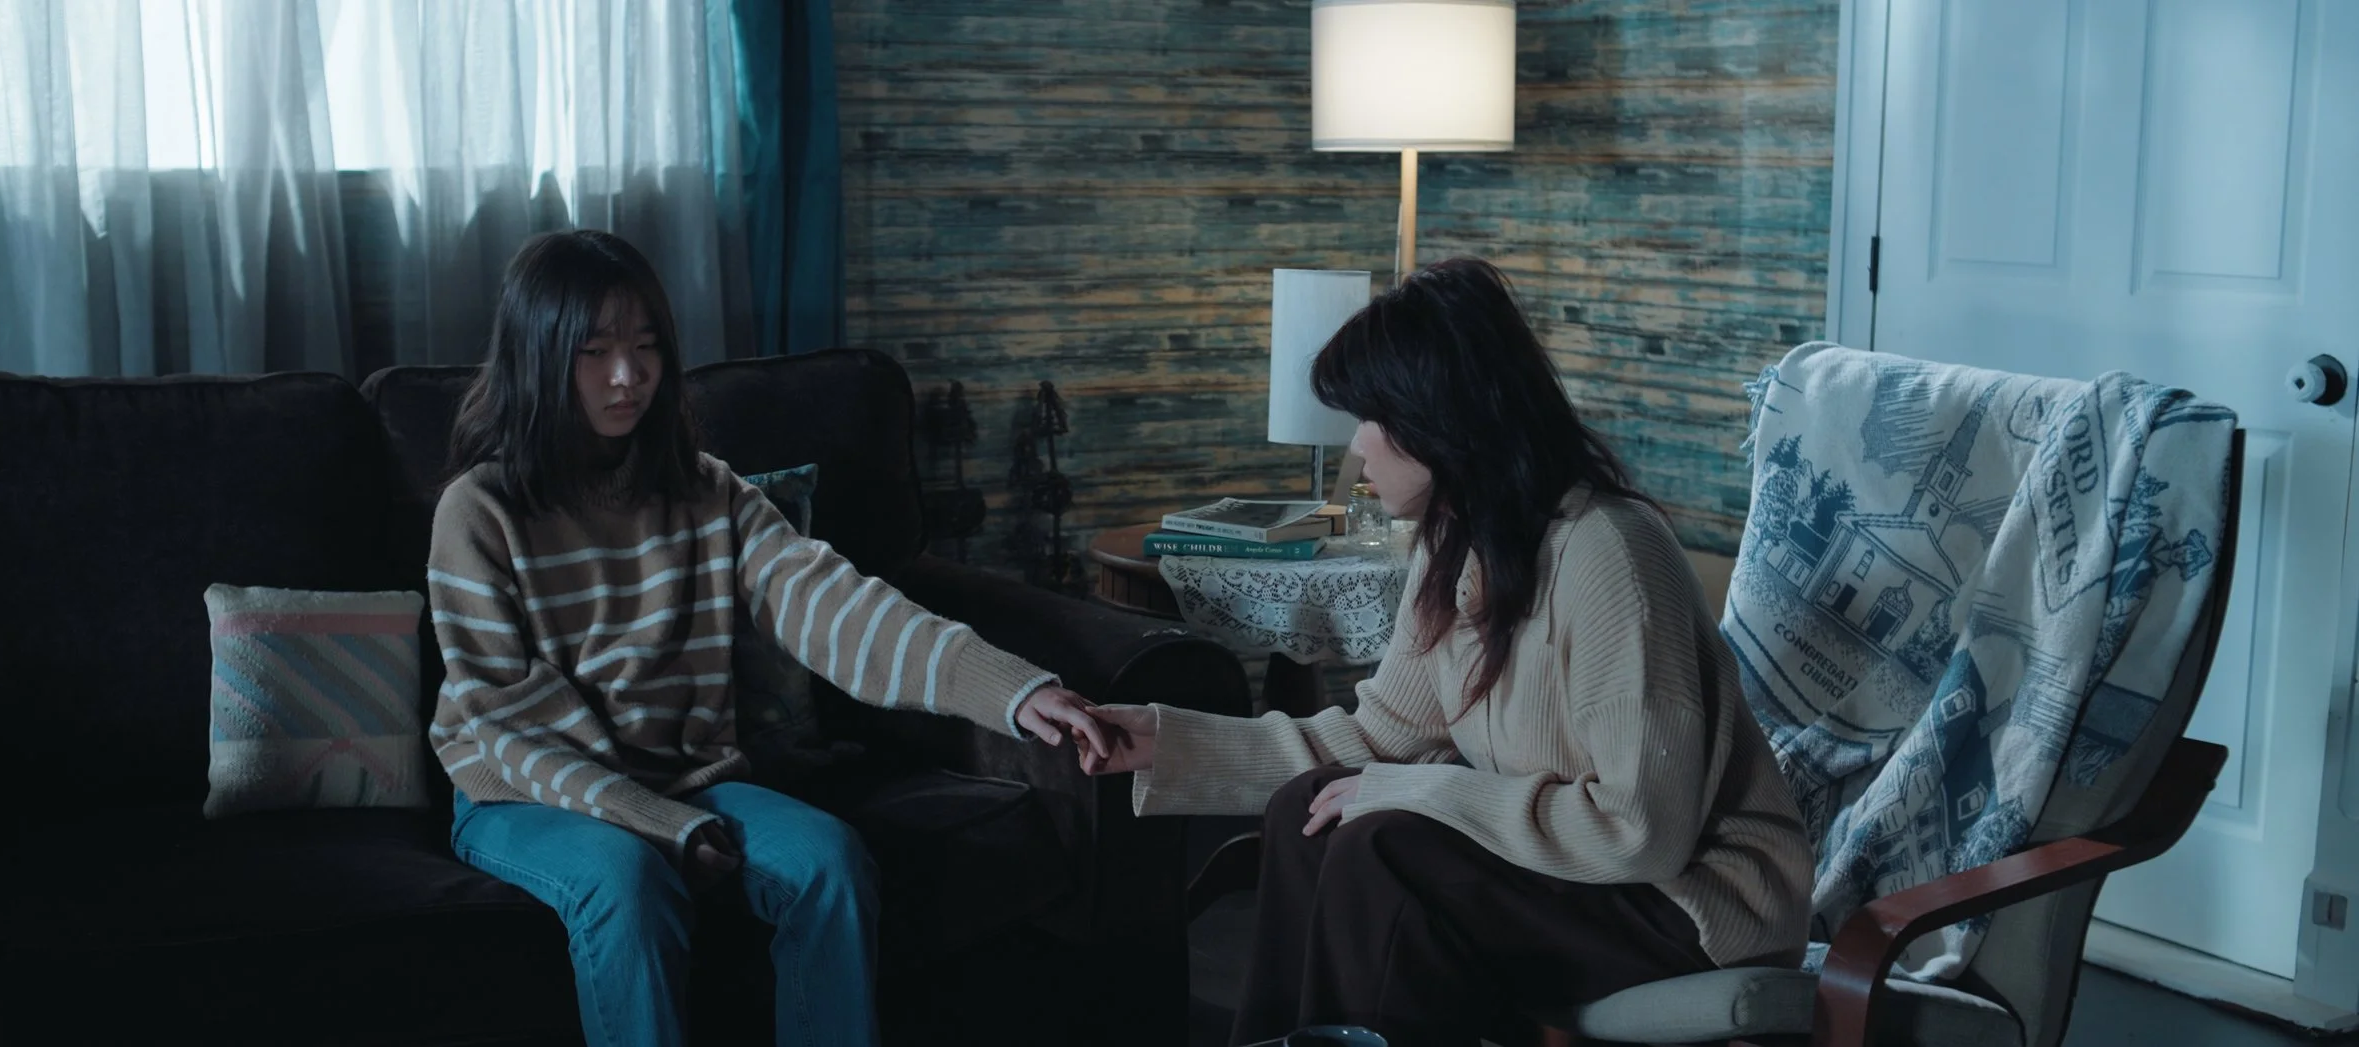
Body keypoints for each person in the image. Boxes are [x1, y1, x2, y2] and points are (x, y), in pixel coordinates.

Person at [1081, 258, 1813, 1047]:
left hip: (1688, 906)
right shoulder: (1455, 546)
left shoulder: (1610, 553)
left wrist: (1419, 791)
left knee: (1381, 848)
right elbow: (1374, 741)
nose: (1357, 445)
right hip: (1575, 880)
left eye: (1371, 416)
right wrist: (1165, 741)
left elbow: (1642, 830)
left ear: (1438, 418)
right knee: (1308, 813)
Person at [426, 229, 1108, 1047]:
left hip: (684, 775)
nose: (627, 376)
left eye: (646, 347)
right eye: (595, 350)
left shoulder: (705, 489)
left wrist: (1013, 689)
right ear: (538, 355)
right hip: (524, 789)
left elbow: (836, 604)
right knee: (625, 877)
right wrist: (653, 821)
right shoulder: (480, 509)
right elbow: (508, 725)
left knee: (830, 861)